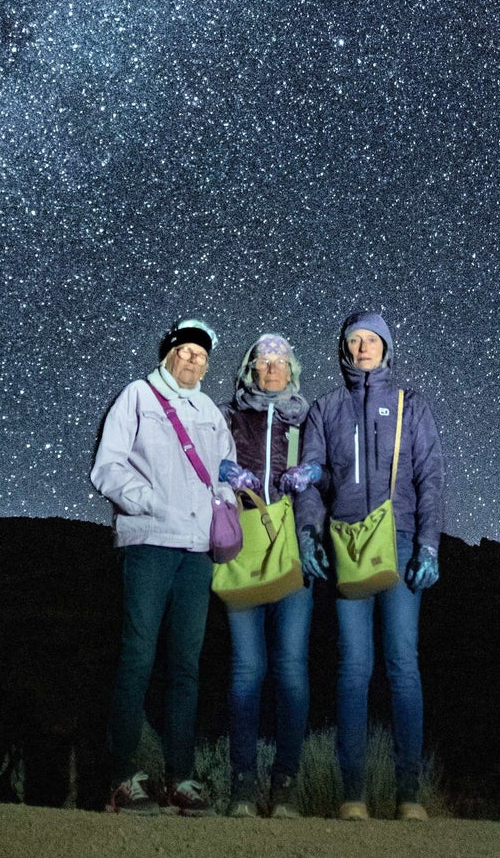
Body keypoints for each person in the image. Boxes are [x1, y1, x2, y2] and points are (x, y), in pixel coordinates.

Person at [295, 310, 444, 821]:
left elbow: (430, 480)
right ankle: (352, 794)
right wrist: (308, 533)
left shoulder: (411, 405)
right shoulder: (325, 408)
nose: (363, 348)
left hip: (400, 541)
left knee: (403, 665)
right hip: (345, 545)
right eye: (354, 340)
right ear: (344, 348)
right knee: (353, 667)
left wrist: (428, 546)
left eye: (372, 340)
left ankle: (409, 795)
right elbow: (311, 480)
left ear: (386, 347)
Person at [90, 317, 237, 816]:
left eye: (202, 354)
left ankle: (181, 779)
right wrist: (148, 503)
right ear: (168, 353)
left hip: (196, 553)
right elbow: (107, 466)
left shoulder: (211, 413)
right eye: (187, 350)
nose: (195, 359)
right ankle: (119, 777)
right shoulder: (137, 396)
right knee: (137, 656)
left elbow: (224, 470)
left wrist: (223, 505)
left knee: (185, 667)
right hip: (150, 542)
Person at [218, 333, 324, 817]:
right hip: (243, 551)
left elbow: (323, 479)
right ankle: (241, 785)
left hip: (292, 556)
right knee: (245, 673)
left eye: (280, 360)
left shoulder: (305, 419)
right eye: (264, 360)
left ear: (292, 368)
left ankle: (286, 784)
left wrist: (312, 482)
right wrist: (225, 472)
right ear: (251, 368)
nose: (272, 367)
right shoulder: (228, 416)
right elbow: (204, 465)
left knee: (292, 673)